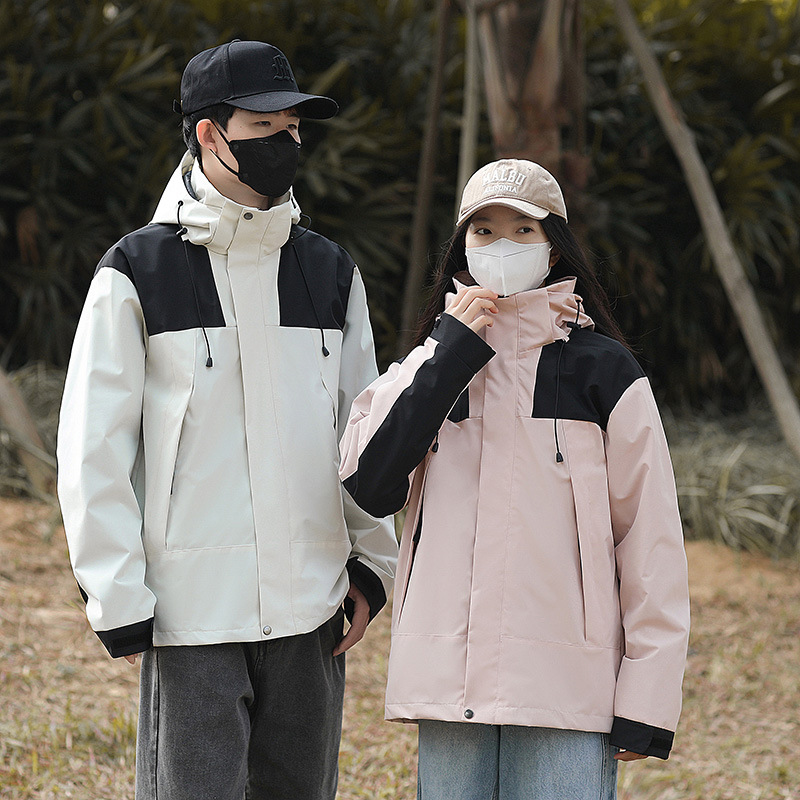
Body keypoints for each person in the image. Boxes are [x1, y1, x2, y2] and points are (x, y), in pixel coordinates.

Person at [57, 40, 397, 800]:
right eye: (266, 123)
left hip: (313, 612)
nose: (288, 142)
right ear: (209, 133)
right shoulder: (136, 271)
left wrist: (372, 566)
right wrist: (118, 593)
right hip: (190, 616)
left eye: (295, 125)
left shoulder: (329, 272)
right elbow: (92, 447)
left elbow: (360, 431)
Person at [338, 159, 691, 799]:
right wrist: (452, 357)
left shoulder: (605, 373)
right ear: (461, 250)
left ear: (554, 245)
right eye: (484, 231)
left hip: (567, 689)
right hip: (451, 686)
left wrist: (648, 698)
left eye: (522, 230)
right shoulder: (432, 362)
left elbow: (651, 544)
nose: (502, 245)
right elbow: (370, 484)